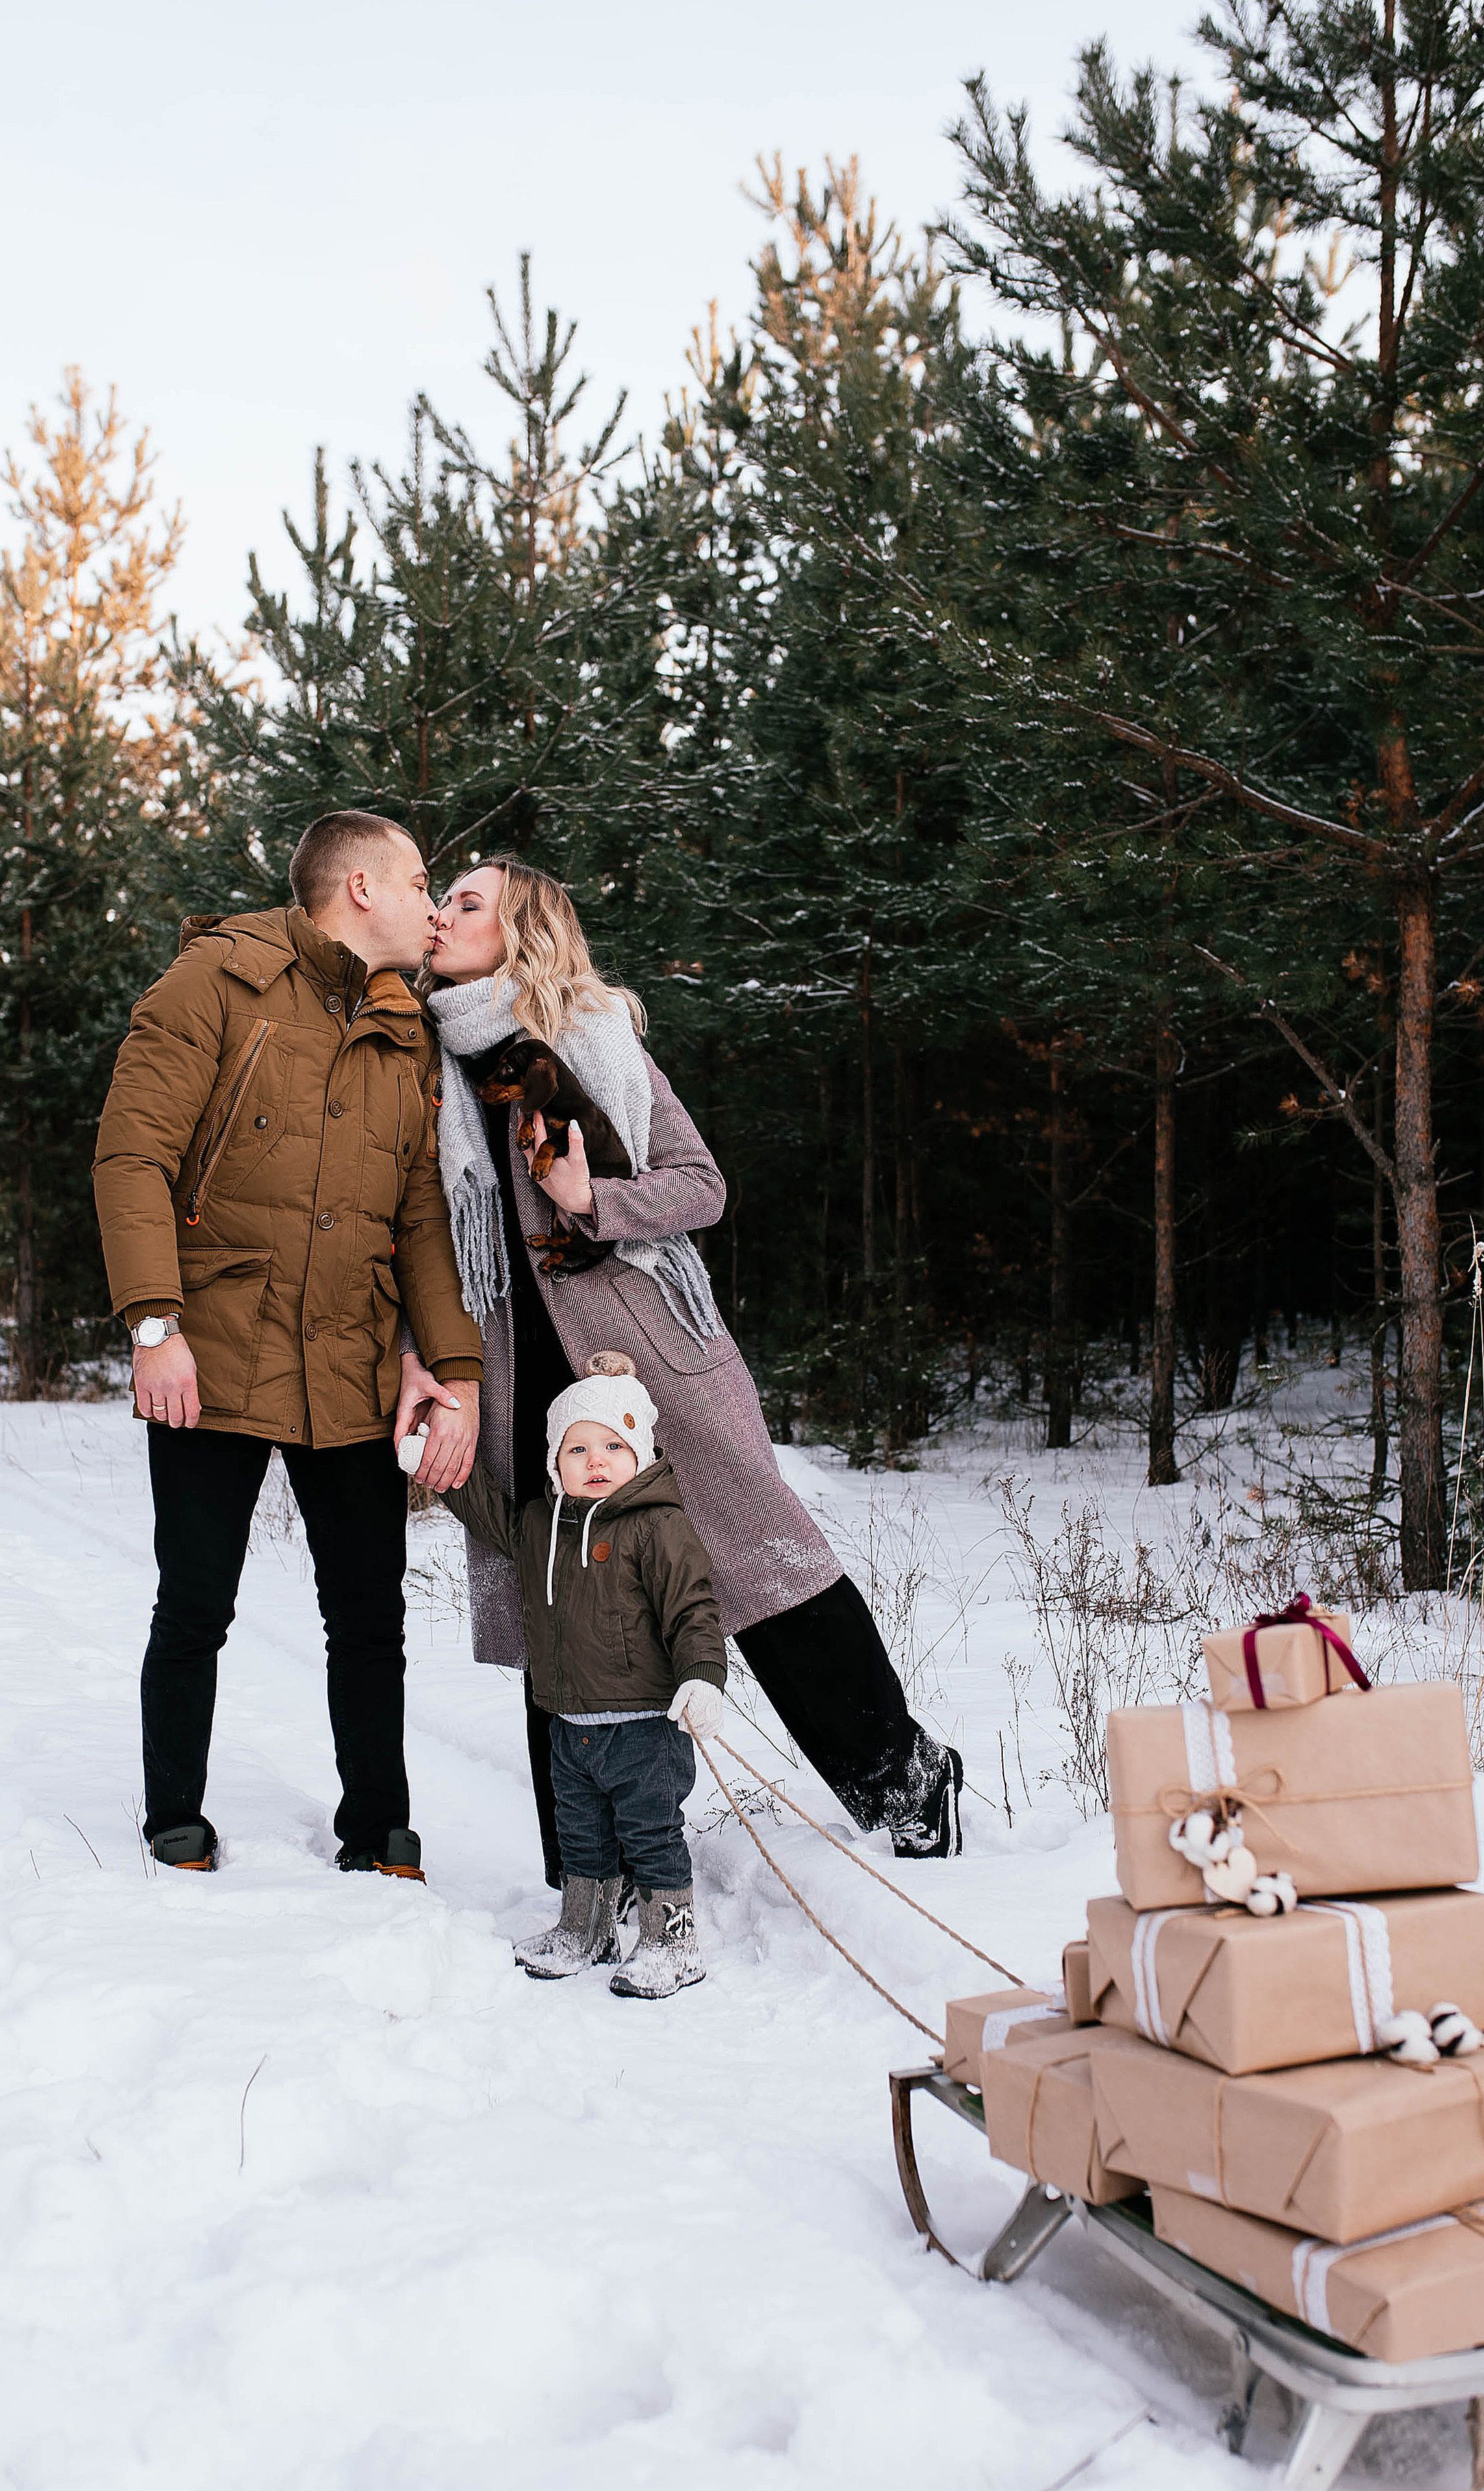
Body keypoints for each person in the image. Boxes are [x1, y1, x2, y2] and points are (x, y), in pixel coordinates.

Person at [409, 855, 962, 1884]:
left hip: (653, 1359)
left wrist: (593, 1201)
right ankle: (591, 1868)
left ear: (522, 931)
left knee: (760, 1569)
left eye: (467, 903)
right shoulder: (421, 1063)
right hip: (519, 1379)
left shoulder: (596, 1037)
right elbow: (416, 1240)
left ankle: (905, 1776)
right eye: (440, 900)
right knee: (563, 1604)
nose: (441, 915)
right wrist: (423, 1364)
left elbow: (701, 1184)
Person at [92, 809, 483, 1875]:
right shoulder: (215, 982)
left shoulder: (405, 1026)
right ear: (360, 888)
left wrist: (452, 1365)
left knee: (368, 1614)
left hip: (351, 1357)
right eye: (418, 881)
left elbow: (419, 1215)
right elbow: (132, 1158)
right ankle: (174, 1815)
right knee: (195, 1601)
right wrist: (155, 1324)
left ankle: (380, 1830)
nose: (430, 904)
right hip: (214, 1348)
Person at [422, 1350, 725, 1999]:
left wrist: (702, 1675)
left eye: (613, 1446)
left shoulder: (659, 1525)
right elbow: (487, 1514)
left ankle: (673, 1943)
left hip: (646, 1725)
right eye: (577, 1449)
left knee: (651, 1837)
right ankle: (585, 1930)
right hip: (570, 1725)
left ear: (639, 1453)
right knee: (580, 1836)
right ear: (555, 1462)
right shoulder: (541, 1525)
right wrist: (436, 1464)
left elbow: (693, 1607)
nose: (596, 1461)